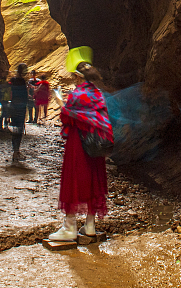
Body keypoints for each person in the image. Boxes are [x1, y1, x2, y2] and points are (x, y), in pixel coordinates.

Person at [48, 47, 112, 241]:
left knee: (74, 180)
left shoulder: (77, 95)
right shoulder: (98, 94)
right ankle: (90, 225)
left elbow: (68, 115)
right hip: (96, 146)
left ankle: (69, 227)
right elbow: (100, 118)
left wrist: (59, 101)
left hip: (79, 143)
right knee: (93, 180)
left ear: (78, 77)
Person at [9, 63, 30, 163]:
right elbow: (24, 96)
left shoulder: (13, 80)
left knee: (15, 129)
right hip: (20, 107)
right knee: (19, 129)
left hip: (13, 106)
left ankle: (15, 151)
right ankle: (16, 152)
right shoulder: (21, 81)